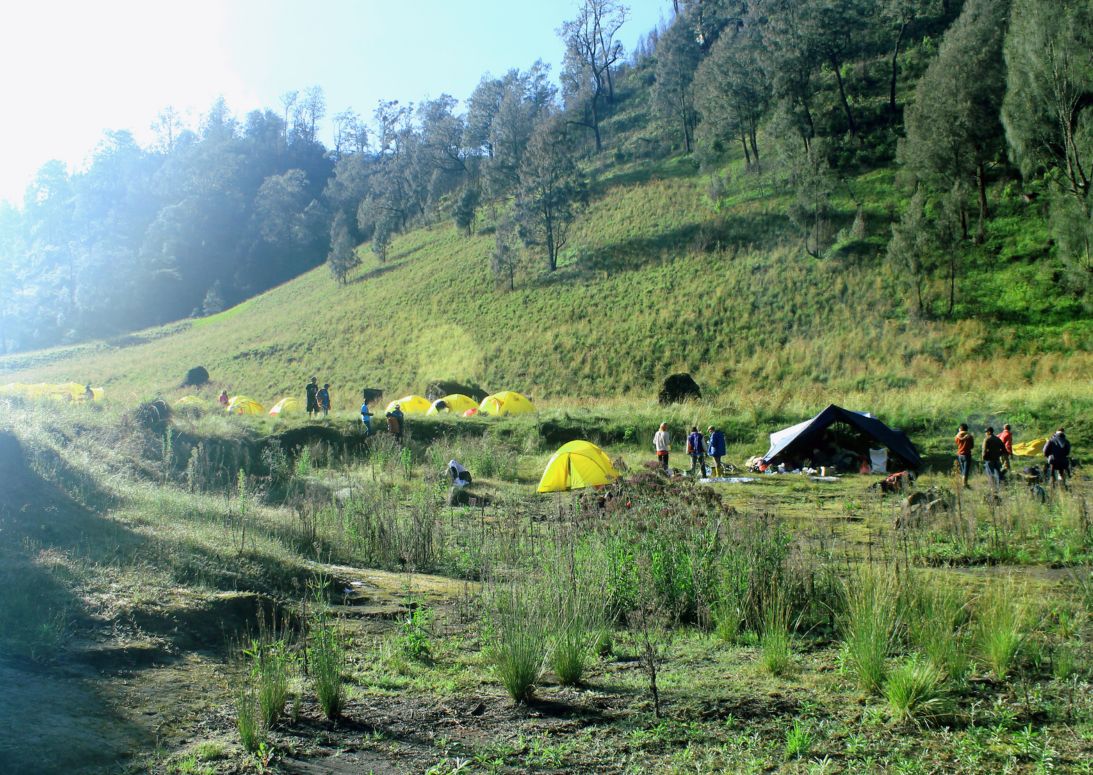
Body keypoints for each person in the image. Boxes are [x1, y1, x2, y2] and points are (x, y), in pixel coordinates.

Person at [955, 423, 974, 487]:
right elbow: (972, 446)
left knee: (963, 469)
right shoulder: (970, 436)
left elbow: (957, 443)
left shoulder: (957, 435)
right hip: (967, 454)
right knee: (966, 470)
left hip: (960, 454)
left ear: (961, 428)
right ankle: (964, 483)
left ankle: (963, 483)